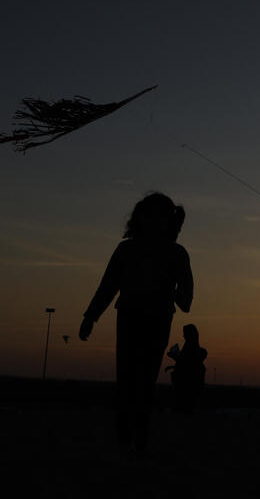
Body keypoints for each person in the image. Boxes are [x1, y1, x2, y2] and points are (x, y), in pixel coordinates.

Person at [78, 192, 193, 451]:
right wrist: (90, 317)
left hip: (158, 320)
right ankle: (125, 437)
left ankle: (139, 437)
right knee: (127, 378)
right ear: (140, 218)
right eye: (148, 215)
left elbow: (187, 301)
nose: (152, 221)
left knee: (145, 380)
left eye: (158, 216)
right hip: (129, 317)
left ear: (167, 221)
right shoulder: (126, 250)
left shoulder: (176, 253)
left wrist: (172, 291)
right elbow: (107, 287)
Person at [165, 323, 207, 414]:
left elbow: (187, 365)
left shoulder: (191, 348)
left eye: (185, 335)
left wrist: (175, 357)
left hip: (187, 387)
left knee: (184, 408)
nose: (184, 337)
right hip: (188, 387)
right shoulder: (192, 347)